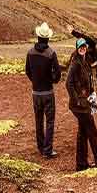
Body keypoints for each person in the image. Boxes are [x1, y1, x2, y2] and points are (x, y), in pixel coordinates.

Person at [65, 37, 97, 171]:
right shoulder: (75, 63)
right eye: (80, 46)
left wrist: (91, 95)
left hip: (85, 103)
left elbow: (89, 80)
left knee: (83, 132)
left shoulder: (85, 61)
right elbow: (68, 83)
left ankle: (81, 164)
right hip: (79, 106)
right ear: (77, 49)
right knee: (92, 131)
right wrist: (76, 99)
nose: (82, 48)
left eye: (84, 46)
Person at [25, 21, 62, 158]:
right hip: (48, 92)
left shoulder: (30, 52)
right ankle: (48, 150)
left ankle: (41, 148)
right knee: (50, 121)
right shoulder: (51, 53)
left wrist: (35, 81)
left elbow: (27, 71)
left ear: (38, 36)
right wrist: (52, 80)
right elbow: (57, 74)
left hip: (36, 93)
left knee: (38, 120)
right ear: (47, 38)